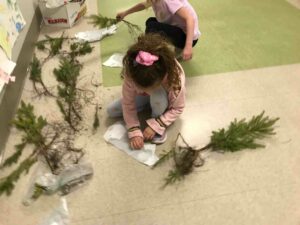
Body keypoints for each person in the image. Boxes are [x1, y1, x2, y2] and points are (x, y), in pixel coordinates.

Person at [107, 33, 186, 150]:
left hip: (162, 97)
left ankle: (156, 115)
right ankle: (150, 104)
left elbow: (178, 108)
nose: (146, 91)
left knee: (157, 96)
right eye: (140, 87)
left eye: (149, 88)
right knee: (111, 110)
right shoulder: (132, 73)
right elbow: (128, 103)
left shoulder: (174, 79)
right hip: (149, 93)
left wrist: (157, 124)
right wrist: (133, 128)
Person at [116, 0, 200, 61]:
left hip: (188, 37)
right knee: (151, 21)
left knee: (152, 27)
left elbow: (190, 19)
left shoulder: (169, 1)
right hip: (181, 31)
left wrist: (188, 47)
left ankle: (150, 53)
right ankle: (176, 48)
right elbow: (143, 4)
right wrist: (125, 13)